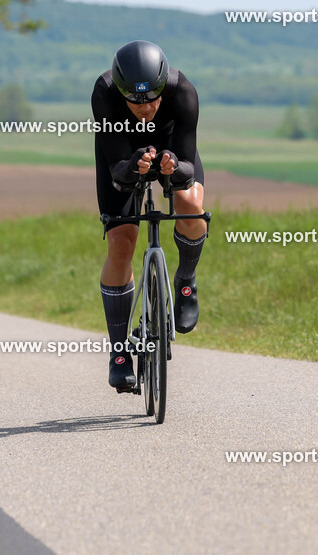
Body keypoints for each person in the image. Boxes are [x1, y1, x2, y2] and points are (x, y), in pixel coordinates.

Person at [92, 40, 208, 392]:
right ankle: (119, 351)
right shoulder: (105, 93)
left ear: (163, 88)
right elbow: (116, 170)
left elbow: (188, 164)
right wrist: (134, 165)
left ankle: (185, 280)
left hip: (173, 151)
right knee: (121, 242)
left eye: (154, 99)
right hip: (123, 156)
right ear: (121, 92)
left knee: (190, 202)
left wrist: (174, 168)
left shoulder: (183, 91)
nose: (147, 109)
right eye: (136, 102)